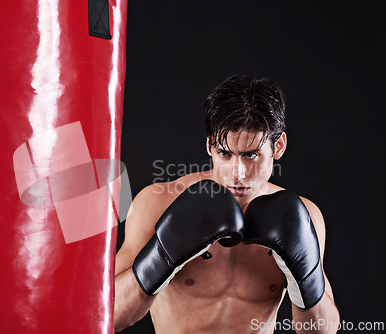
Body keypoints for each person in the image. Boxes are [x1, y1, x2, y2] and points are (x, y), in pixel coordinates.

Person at [114, 75, 340, 333]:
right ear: (210, 144)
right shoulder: (157, 203)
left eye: (251, 155)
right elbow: (108, 316)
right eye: (224, 153)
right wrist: (161, 256)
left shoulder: (303, 216)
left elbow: (322, 330)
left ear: (278, 147)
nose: (237, 173)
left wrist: (307, 280)